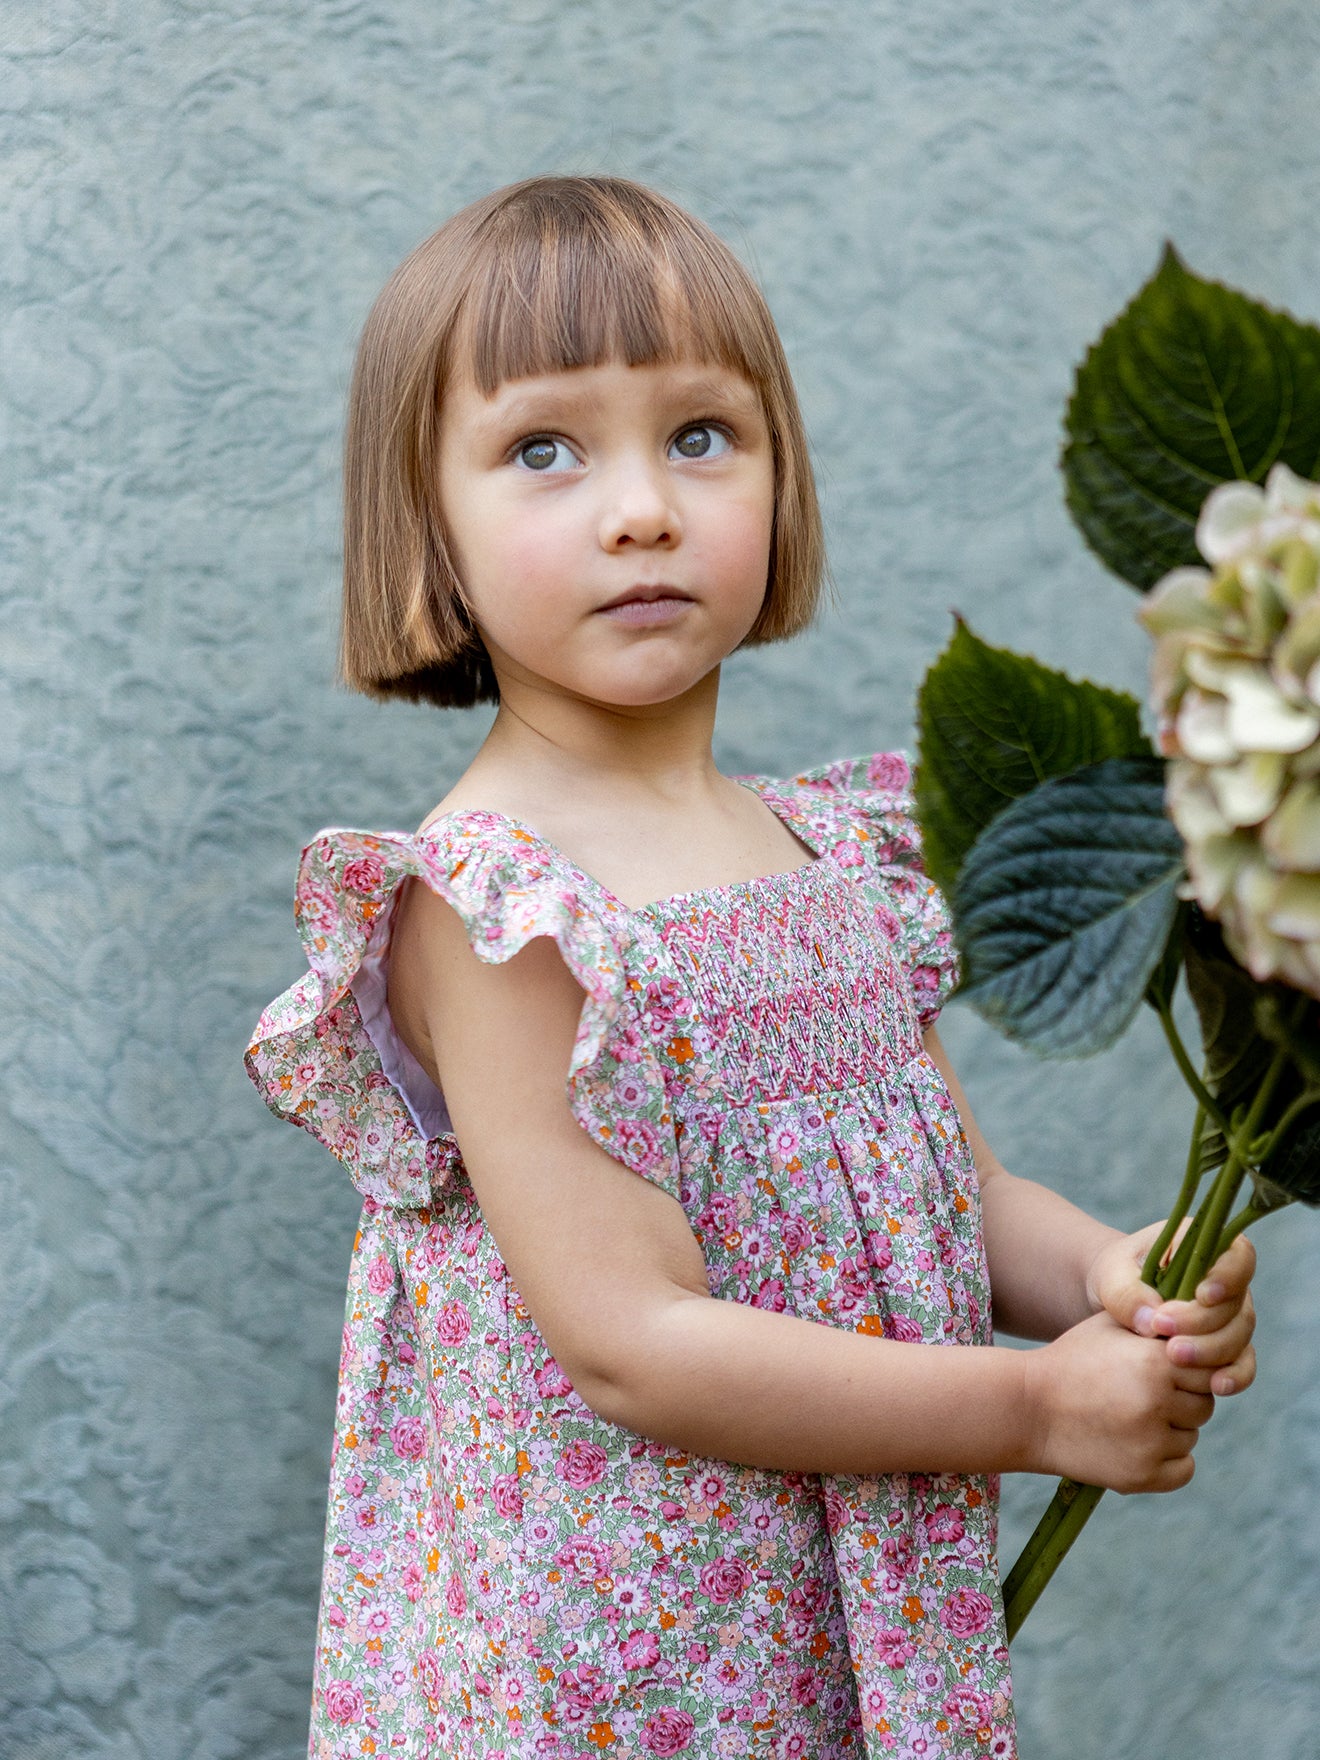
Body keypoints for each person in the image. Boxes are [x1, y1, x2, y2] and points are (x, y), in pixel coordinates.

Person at [245, 175, 1258, 1760]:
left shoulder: (828, 850)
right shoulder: (497, 904)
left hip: (821, 1617)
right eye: (544, 451)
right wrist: (1038, 1411)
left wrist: (1112, 1280)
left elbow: (948, 1193)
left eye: (701, 437)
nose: (641, 506)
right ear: (426, 523)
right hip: (612, 1673)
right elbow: (630, 1346)